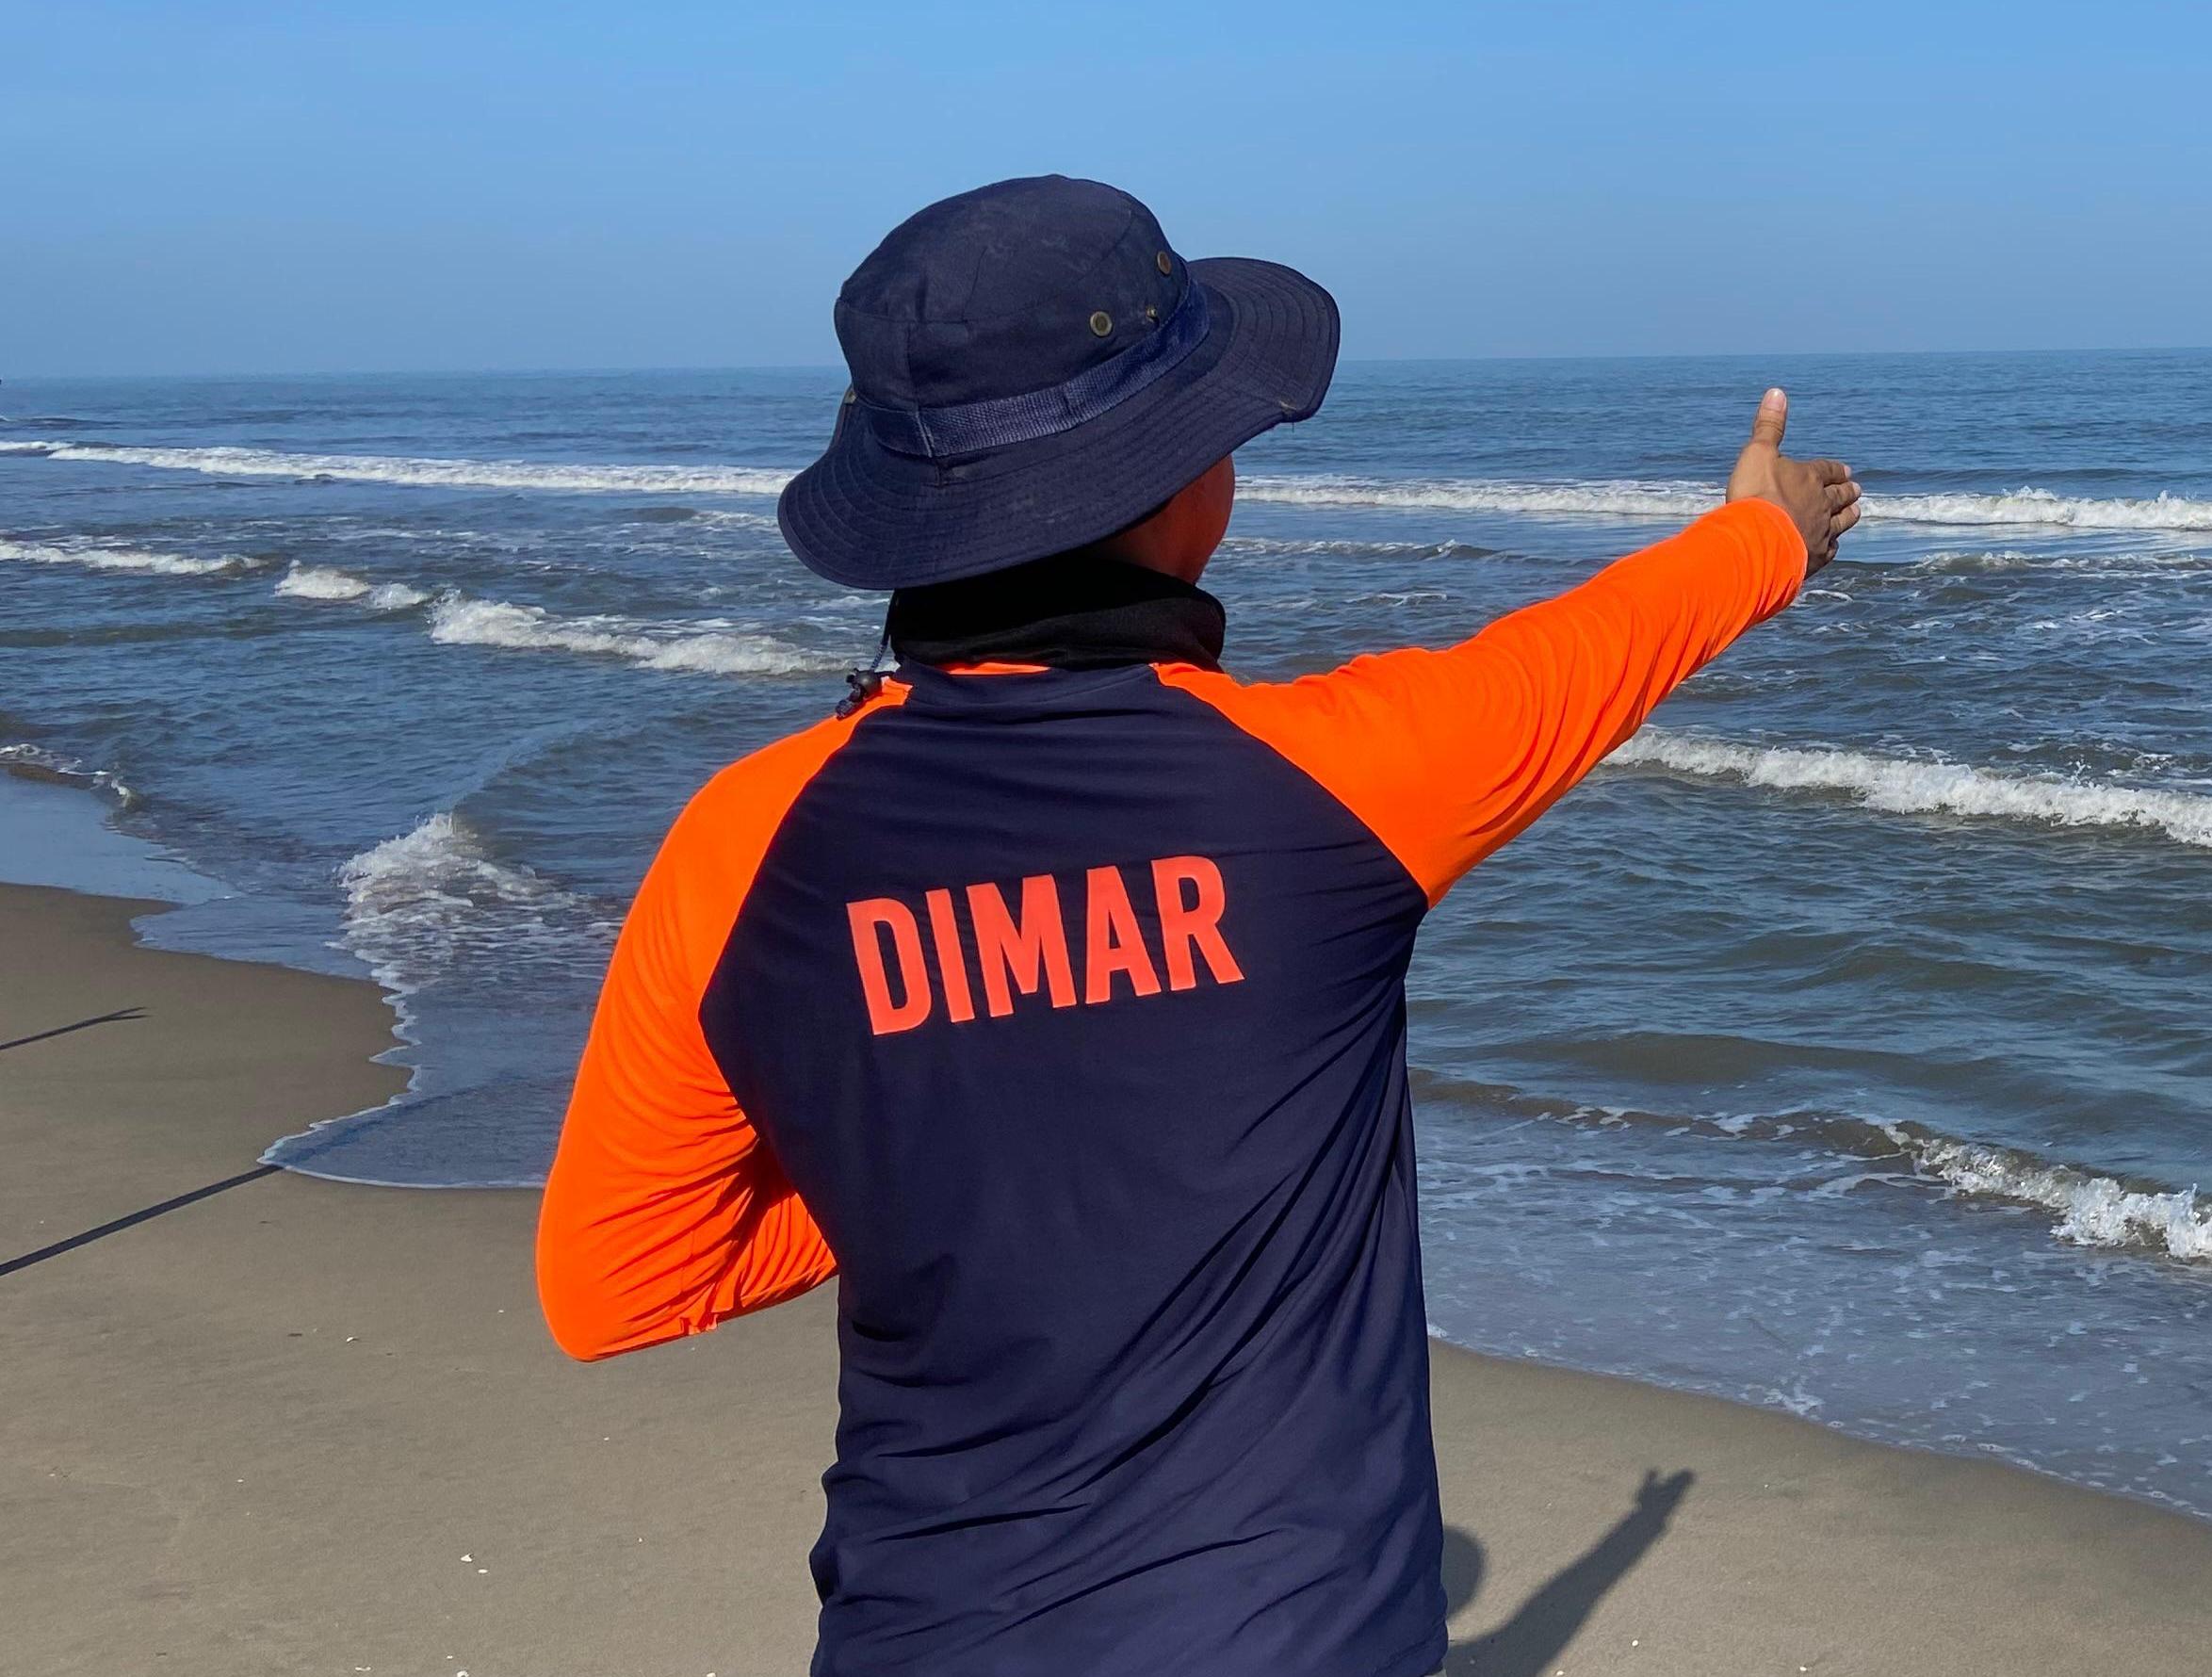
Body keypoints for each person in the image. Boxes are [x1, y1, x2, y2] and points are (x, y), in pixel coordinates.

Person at [530, 175, 1862, 1677]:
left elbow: (617, 1283)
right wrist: (1771, 536)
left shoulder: (741, 842)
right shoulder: (1337, 777)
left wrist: (936, 1168)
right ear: (1185, 492)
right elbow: (1590, 652)